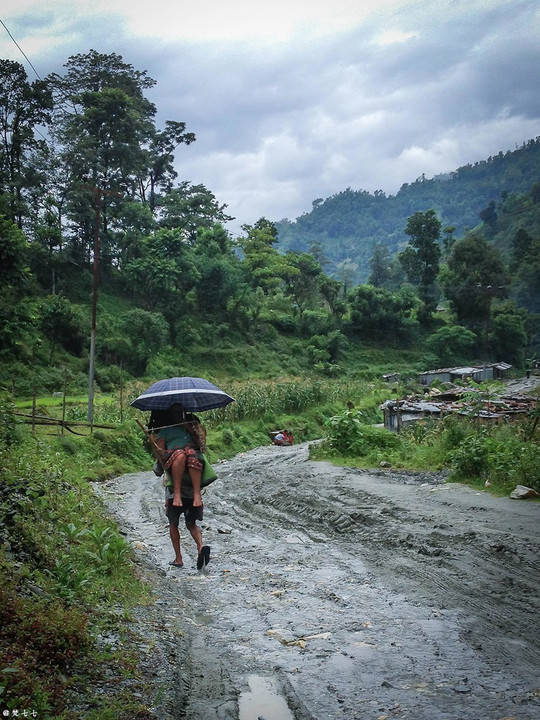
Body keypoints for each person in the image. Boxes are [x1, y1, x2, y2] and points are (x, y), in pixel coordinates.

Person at [148, 405, 210, 570]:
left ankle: (179, 558)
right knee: (191, 524)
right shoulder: (189, 431)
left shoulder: (167, 432)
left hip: (175, 490)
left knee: (173, 524)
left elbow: (158, 467)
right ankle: (200, 547)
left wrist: (158, 450)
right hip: (190, 488)